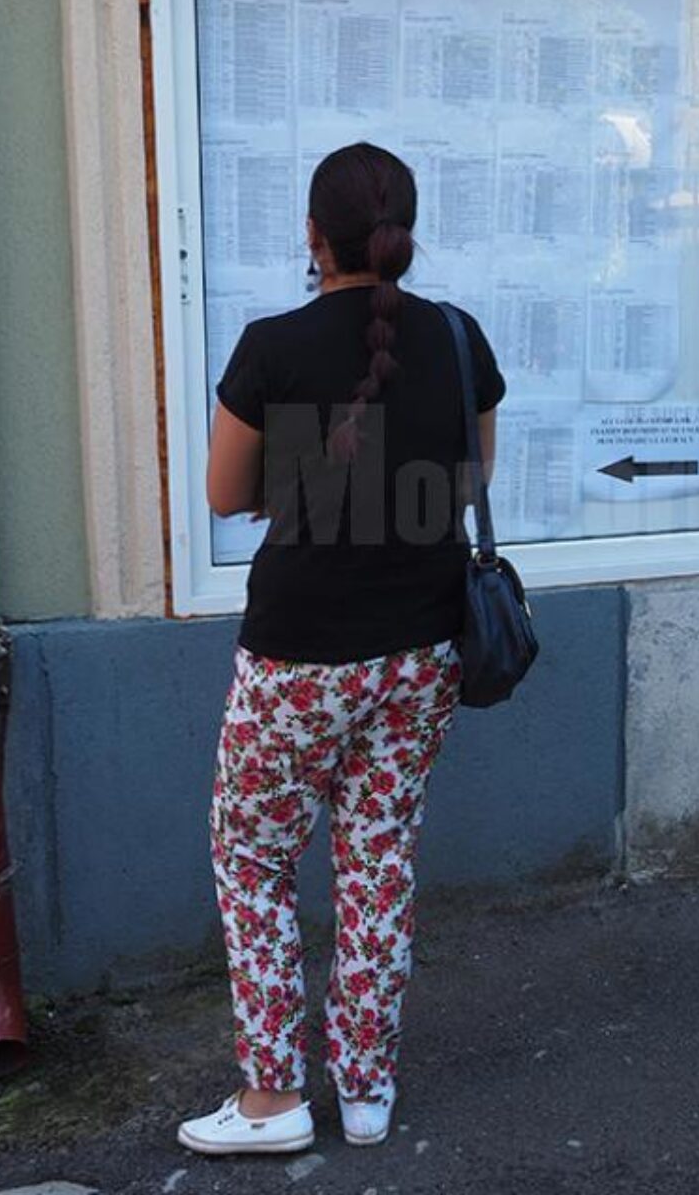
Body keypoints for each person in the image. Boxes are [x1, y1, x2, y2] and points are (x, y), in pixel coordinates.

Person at [177, 142, 505, 1156]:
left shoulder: (272, 346)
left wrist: (306, 485)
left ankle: (274, 1100)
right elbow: (470, 478)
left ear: (314, 237)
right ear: (405, 232)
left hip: (298, 658)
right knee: (377, 857)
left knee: (254, 859)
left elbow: (224, 493)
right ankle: (366, 1095)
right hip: (423, 649)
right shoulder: (459, 339)